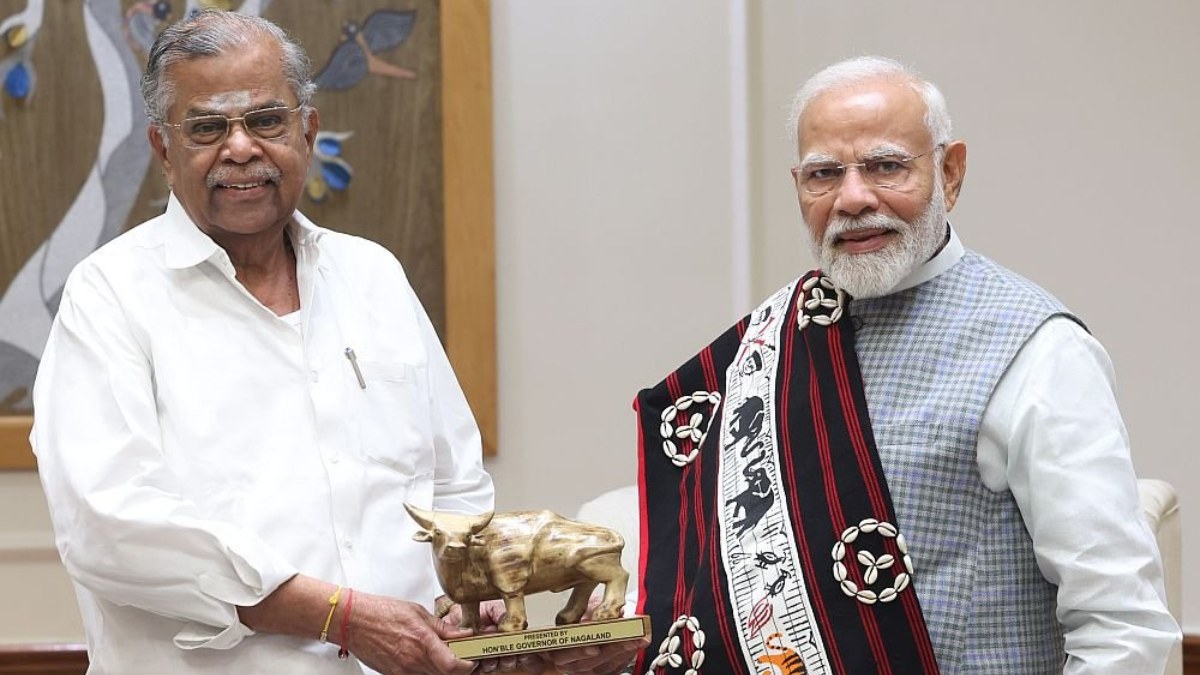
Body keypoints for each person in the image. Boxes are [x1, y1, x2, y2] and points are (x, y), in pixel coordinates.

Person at [633, 56, 1181, 674]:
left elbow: (1122, 625)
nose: (852, 198)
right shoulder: (769, 345)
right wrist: (616, 645)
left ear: (950, 172)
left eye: (886, 166)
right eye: (823, 174)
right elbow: (711, 590)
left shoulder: (1039, 351)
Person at [31, 10, 499, 675]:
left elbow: (455, 481)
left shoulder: (373, 276)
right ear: (163, 150)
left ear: (307, 131)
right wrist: (340, 615)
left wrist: (473, 594)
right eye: (206, 128)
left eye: (267, 120)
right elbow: (109, 527)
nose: (241, 148)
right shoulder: (108, 296)